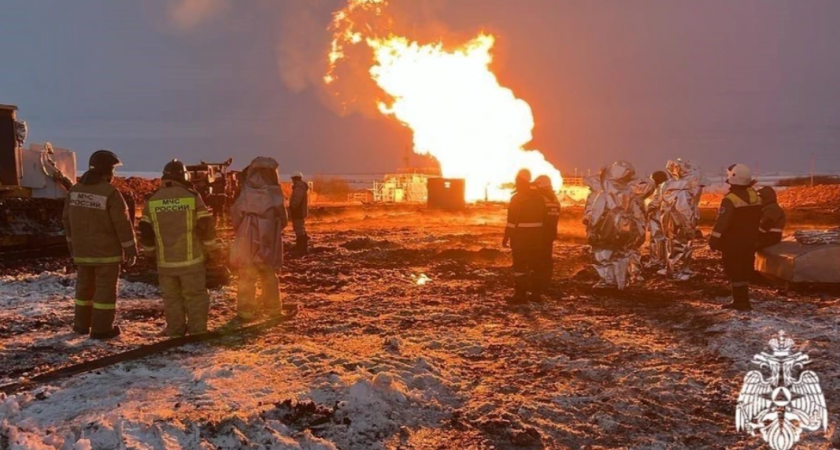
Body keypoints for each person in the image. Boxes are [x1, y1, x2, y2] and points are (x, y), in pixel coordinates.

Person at [62, 150, 136, 339]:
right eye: (112, 170)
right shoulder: (110, 192)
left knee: (83, 290)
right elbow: (122, 223)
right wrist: (130, 248)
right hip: (106, 254)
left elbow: (67, 221)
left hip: (82, 253)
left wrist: (72, 246)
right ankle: (102, 329)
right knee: (104, 291)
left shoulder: (74, 191)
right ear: (106, 170)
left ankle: (81, 325)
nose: (113, 174)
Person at [140, 160, 215, 337]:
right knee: (195, 296)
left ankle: (175, 331)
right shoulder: (191, 196)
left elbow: (145, 230)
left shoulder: (152, 200)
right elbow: (206, 225)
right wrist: (211, 250)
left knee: (172, 299)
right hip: (191, 260)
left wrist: (150, 253)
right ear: (184, 176)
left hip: (165, 262)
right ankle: (198, 332)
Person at [230, 157, 288, 320]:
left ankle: (246, 312)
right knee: (269, 275)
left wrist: (243, 230)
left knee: (247, 276)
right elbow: (283, 219)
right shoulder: (276, 194)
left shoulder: (246, 193)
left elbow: (236, 215)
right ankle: (273, 308)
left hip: (248, 241)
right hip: (269, 241)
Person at [709, 163, 762, 311]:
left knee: (735, 271)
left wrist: (713, 240)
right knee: (745, 269)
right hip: (750, 241)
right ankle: (744, 300)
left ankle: (740, 302)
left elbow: (722, 222)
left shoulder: (730, 199)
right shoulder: (755, 196)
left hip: (733, 242)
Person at [503, 169, 546, 304]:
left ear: (519, 181)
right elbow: (545, 218)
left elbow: (511, 220)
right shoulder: (539, 197)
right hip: (537, 237)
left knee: (520, 266)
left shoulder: (517, 198)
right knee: (535, 265)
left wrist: (506, 237)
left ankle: (520, 294)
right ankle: (536, 294)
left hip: (521, 237)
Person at [534, 175, 560, 301]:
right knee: (547, 258)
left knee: (537, 259)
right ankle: (546, 281)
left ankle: (538, 284)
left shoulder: (541, 199)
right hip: (550, 233)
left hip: (540, 234)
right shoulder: (554, 199)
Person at [645, 170, 669, 268]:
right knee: (659, 239)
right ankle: (660, 260)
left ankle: (658, 260)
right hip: (660, 218)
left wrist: (645, 209)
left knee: (657, 239)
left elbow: (655, 203)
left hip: (656, 218)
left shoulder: (661, 188)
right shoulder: (667, 186)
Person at [289, 172, 309, 256]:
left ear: (295, 178)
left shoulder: (299, 188)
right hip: (299, 211)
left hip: (298, 211)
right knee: (300, 228)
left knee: (299, 229)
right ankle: (301, 246)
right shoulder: (300, 187)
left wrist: (292, 207)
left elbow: (296, 200)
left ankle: (302, 248)